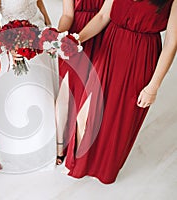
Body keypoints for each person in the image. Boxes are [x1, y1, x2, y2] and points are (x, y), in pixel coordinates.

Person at [66, 0, 177, 184]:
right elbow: (102, 16)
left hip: (140, 56)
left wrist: (153, 86)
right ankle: (80, 163)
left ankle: (103, 168)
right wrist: (76, 40)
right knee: (85, 113)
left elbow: (171, 43)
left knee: (116, 118)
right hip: (109, 46)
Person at [0, 0, 59, 173]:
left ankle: (47, 145)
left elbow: (38, 2)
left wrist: (48, 25)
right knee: (28, 95)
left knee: (44, 94)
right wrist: (11, 45)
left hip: (40, 39)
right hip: (16, 43)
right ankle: (25, 149)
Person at [56, 0, 105, 165]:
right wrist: (60, 36)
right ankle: (60, 144)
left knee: (91, 92)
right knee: (65, 91)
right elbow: (67, 14)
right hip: (76, 34)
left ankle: (83, 144)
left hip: (103, 33)